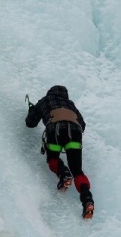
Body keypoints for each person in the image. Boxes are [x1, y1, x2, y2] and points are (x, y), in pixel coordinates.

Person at [25, 85, 94, 219]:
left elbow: (30, 123)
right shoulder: (70, 104)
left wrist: (32, 110)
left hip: (55, 130)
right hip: (75, 133)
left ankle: (64, 174)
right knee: (77, 170)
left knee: (53, 159)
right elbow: (82, 125)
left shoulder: (45, 100)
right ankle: (87, 200)